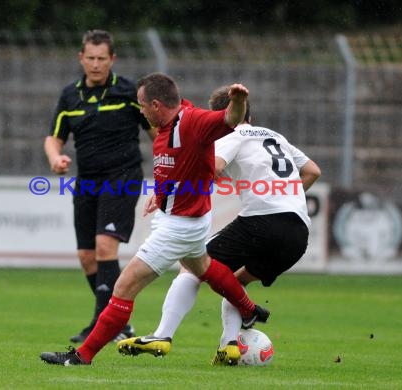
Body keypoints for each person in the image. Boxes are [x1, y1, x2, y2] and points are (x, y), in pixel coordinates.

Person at [40, 73, 270, 366]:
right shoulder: (167, 122)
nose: (140, 110)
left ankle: (82, 356)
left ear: (157, 104)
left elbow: (229, 119)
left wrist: (238, 100)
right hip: (183, 217)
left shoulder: (192, 122)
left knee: (124, 286)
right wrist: (160, 195)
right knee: (204, 267)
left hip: (180, 226)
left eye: (142, 105)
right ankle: (248, 309)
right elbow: (178, 166)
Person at [116, 85, 321, 365]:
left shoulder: (232, 134)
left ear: (220, 115)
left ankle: (162, 335)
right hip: (298, 232)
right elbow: (312, 171)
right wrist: (288, 196)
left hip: (262, 221)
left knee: (191, 267)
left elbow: (216, 165)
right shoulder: (276, 136)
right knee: (234, 284)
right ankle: (228, 347)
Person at [44, 29, 155, 344]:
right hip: (88, 180)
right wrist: (55, 157)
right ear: (81, 58)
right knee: (86, 256)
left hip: (122, 176)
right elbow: (54, 137)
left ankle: (105, 324)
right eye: (90, 58)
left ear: (112, 59)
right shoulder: (69, 95)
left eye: (101, 59)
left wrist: (167, 168)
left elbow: (156, 132)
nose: (95, 64)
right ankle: (115, 321)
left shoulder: (129, 92)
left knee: (106, 246)